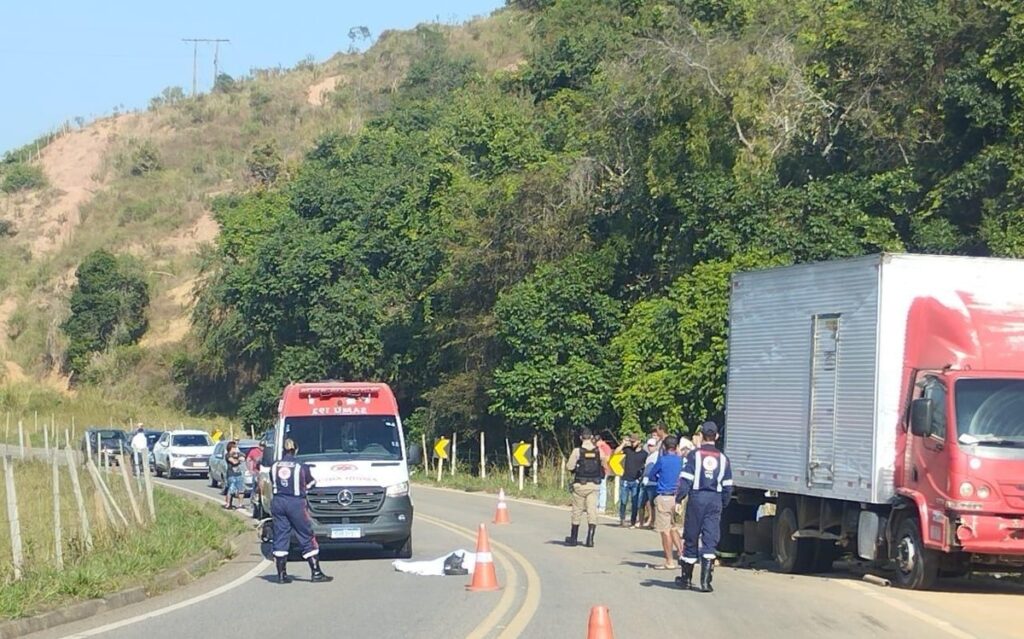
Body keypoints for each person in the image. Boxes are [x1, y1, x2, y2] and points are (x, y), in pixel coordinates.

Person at [675, 421, 733, 592]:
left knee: (691, 537)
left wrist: (678, 499)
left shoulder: (694, 455)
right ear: (717, 436)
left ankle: (686, 579)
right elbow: (728, 486)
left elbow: (685, 480)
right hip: (715, 499)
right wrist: (723, 503)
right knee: (710, 538)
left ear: (701, 435)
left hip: (697, 498)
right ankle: (706, 582)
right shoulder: (723, 458)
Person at [270, 438, 332, 584]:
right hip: (296, 503)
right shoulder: (301, 466)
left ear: (283, 450)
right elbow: (311, 483)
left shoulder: (275, 466)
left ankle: (281, 575)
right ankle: (316, 572)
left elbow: (274, 482)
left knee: (280, 535)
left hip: (278, 502)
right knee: (306, 534)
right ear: (296, 450)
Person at [564, 427, 609, 548]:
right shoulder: (598, 451)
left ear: (581, 438)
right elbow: (605, 463)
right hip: (594, 485)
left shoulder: (577, 451)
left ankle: (573, 538)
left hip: (580, 484)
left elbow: (569, 466)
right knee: (592, 511)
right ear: (591, 437)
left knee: (577, 511)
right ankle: (590, 539)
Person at [647, 435, 684, 570]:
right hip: (677, 497)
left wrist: (659, 479)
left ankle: (669, 560)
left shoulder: (662, 460)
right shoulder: (680, 460)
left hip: (664, 496)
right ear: (676, 447)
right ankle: (682, 554)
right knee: (674, 527)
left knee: (665, 530)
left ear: (664, 446)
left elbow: (651, 475)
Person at [615, 434, 646, 527]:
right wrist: (623, 444)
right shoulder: (628, 450)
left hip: (635, 481)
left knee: (635, 502)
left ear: (639, 441)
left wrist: (641, 477)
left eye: (634, 442)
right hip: (625, 479)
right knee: (623, 501)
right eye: (631, 441)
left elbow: (646, 466)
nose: (632, 443)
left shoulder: (644, 454)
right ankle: (622, 519)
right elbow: (616, 452)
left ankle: (633, 521)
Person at [638, 437, 660, 528]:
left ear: (656, 446)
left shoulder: (657, 455)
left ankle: (653, 522)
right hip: (645, 482)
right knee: (642, 502)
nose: (650, 447)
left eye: (652, 446)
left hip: (653, 482)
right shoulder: (648, 456)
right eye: (649, 446)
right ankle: (641, 522)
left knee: (652, 503)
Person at [223, 441, 246, 510]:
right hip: (231, 475)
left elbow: (243, 457)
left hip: (239, 474)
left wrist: (239, 457)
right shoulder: (227, 455)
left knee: (241, 490)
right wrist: (239, 460)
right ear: (230, 448)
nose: (235, 449)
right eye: (234, 448)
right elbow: (233, 462)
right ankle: (228, 504)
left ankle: (240, 504)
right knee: (231, 489)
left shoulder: (238, 454)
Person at [595, 433, 613, 512]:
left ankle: (602, 506)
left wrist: (600, 448)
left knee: (602, 488)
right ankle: (596, 505)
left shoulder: (606, 447)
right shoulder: (595, 447)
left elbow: (607, 459)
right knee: (596, 488)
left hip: (603, 470)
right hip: (596, 470)